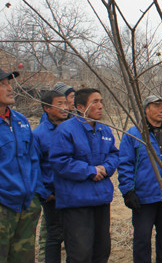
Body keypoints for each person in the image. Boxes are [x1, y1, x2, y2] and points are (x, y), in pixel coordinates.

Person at [50, 88, 119, 263]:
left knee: (102, 251)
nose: (100, 106)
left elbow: (114, 155)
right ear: (80, 107)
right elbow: (60, 161)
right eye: (95, 102)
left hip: (101, 200)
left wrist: (105, 168)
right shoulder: (66, 130)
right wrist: (90, 171)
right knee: (80, 254)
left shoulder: (104, 130)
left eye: (101, 101)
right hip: (76, 203)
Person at [118, 95, 162, 263]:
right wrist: (128, 191)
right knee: (142, 239)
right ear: (146, 109)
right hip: (143, 198)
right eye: (156, 106)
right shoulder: (134, 134)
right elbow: (125, 164)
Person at [0, 68, 42, 263]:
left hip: (25, 206)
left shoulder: (21, 121)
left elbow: (33, 159)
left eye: (9, 83)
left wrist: (34, 196)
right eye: (3, 84)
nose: (10, 88)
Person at [33, 91, 69, 263]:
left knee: (74, 235)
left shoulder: (73, 127)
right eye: (59, 104)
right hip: (52, 195)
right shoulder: (38, 134)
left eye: (66, 103)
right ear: (47, 108)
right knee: (54, 236)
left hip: (73, 193)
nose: (65, 107)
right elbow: (34, 166)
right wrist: (44, 193)